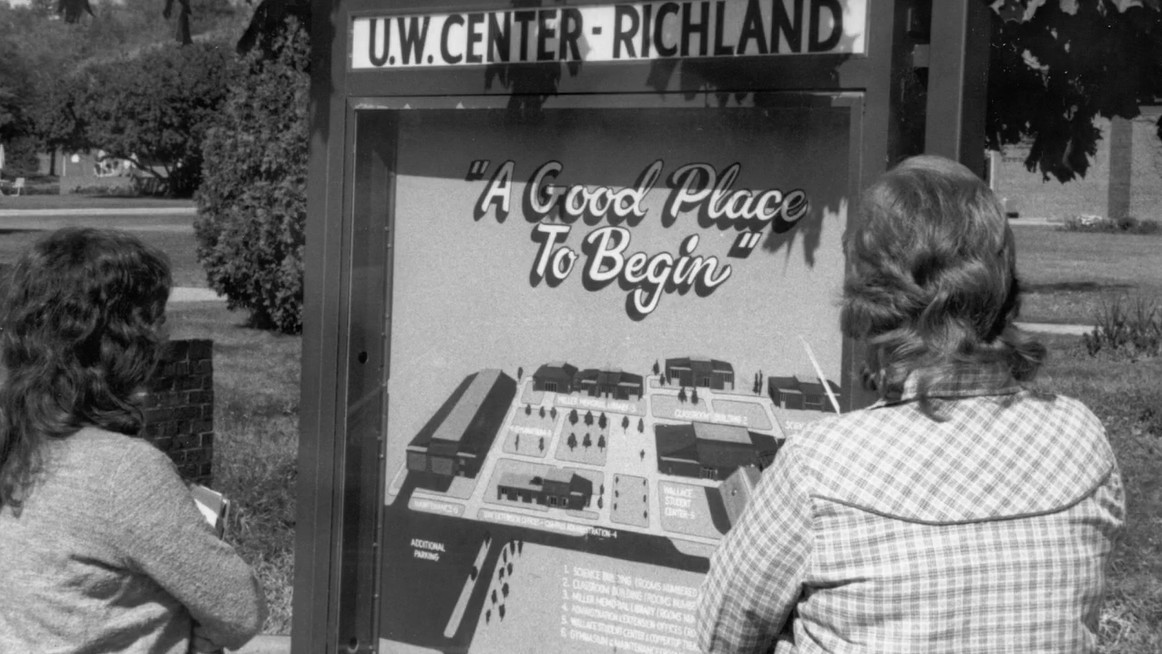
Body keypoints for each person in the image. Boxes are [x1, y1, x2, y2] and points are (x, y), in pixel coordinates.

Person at [696, 156, 1124, 653]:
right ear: (1003, 283)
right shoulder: (1082, 437)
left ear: (871, 299)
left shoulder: (818, 467)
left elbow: (721, 636)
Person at [0, 228, 267, 653]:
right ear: (122, 343)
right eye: (154, 322)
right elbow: (239, 609)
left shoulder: (14, 444)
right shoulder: (123, 472)